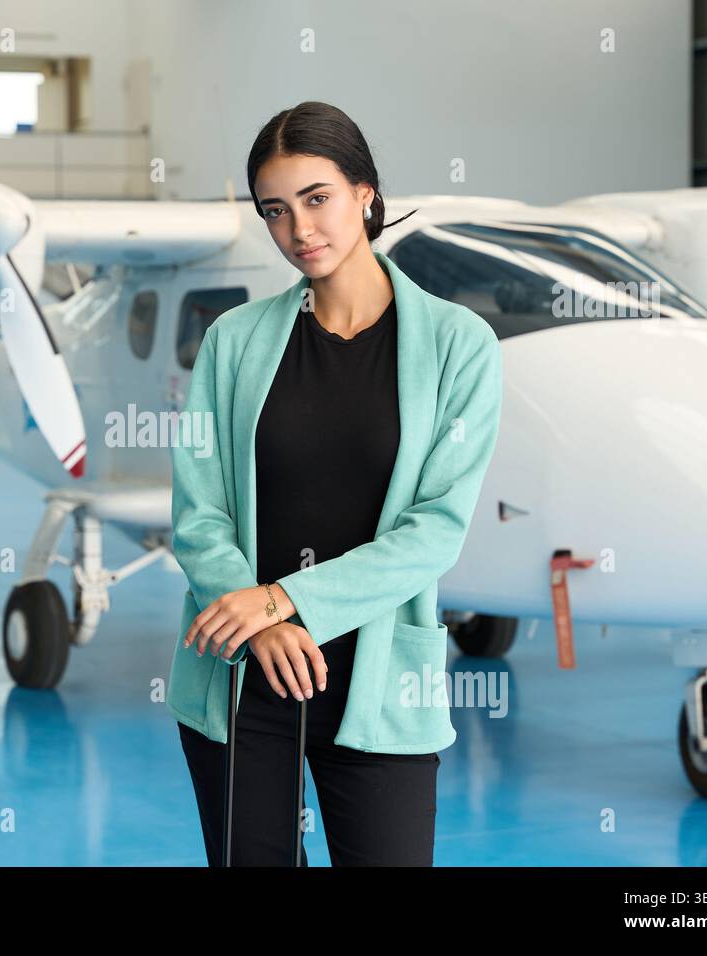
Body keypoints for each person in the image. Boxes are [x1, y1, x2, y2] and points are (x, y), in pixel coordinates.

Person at [167, 101, 503, 866]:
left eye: (317, 199)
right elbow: (198, 511)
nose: (299, 231)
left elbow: (435, 531)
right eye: (275, 212)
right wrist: (261, 625)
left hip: (381, 684)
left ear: (366, 195)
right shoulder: (234, 342)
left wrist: (287, 600)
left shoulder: (459, 347)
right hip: (243, 677)